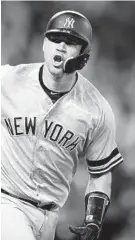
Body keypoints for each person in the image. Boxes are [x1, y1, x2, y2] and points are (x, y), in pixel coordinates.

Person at [1, 10, 123, 240]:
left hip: (50, 217)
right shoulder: (8, 80)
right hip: (7, 202)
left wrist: (94, 219)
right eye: (55, 39)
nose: (60, 46)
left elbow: (100, 173)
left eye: (71, 42)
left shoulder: (96, 109)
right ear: (44, 44)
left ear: (84, 55)